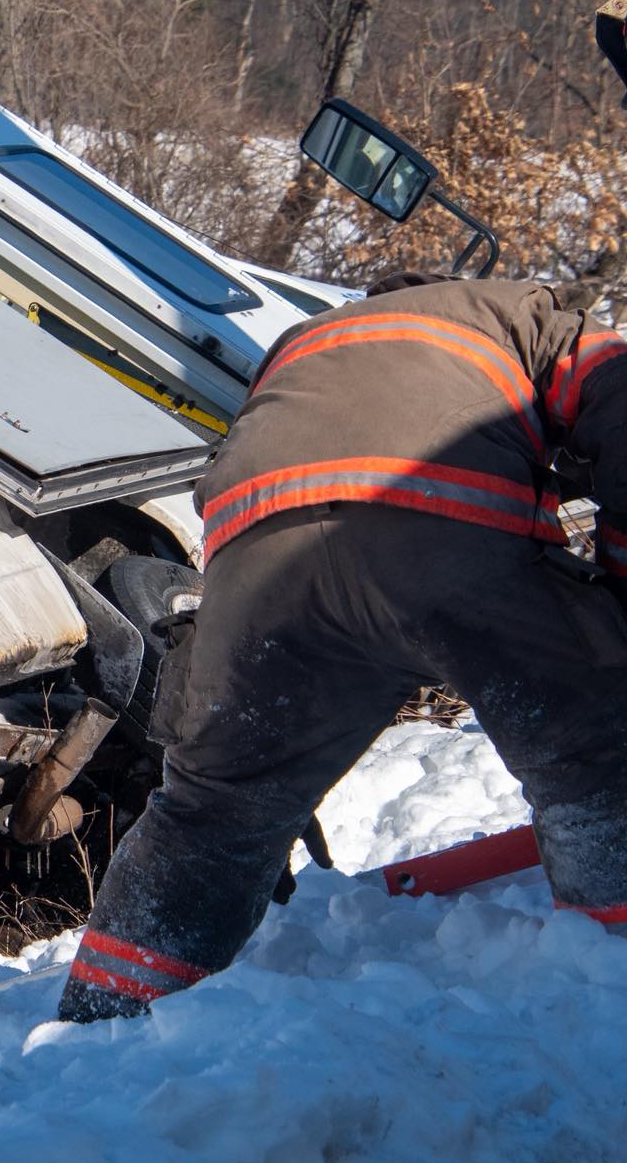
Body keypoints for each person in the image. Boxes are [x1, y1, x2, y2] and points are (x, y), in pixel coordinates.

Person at [57, 270, 627, 1023]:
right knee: (591, 755)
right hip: (434, 526)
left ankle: (106, 1015)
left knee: (216, 812)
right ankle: (612, 962)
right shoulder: (524, 315)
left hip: (256, 562)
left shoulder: (305, 342)